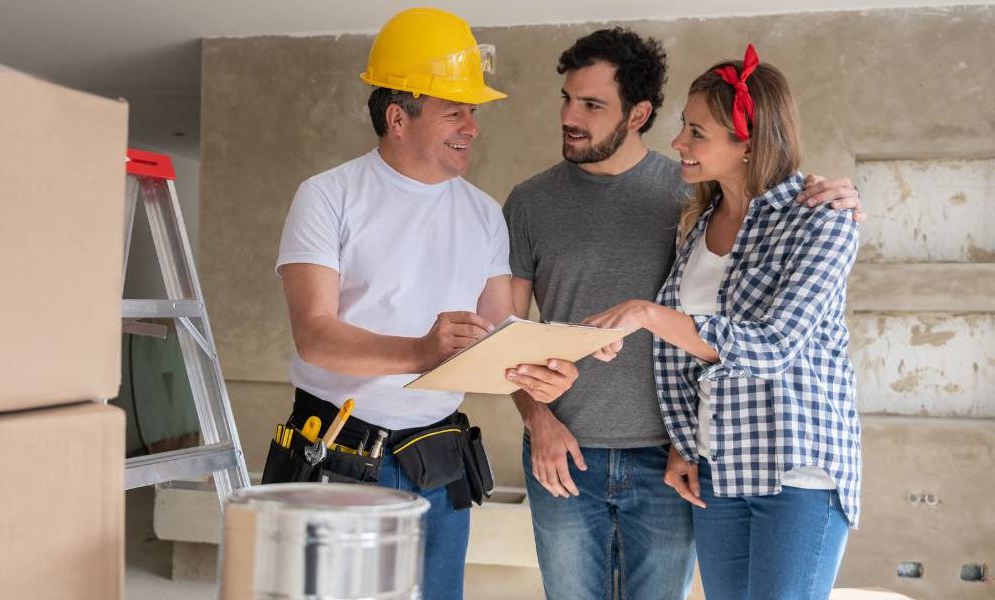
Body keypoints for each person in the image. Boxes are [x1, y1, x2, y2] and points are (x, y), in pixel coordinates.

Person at [503, 29, 862, 599]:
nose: (680, 142)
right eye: (567, 98)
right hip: (710, 468)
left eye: (695, 131)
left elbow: (770, 344)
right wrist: (686, 443)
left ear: (748, 142)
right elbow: (678, 358)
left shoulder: (799, 213)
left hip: (793, 464)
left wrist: (644, 316)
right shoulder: (700, 217)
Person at [274, 8, 578, 600]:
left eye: (475, 111)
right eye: (455, 111)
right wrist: (419, 351)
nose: (472, 126)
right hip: (338, 456)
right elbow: (314, 334)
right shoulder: (328, 196)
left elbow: (497, 333)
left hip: (437, 463)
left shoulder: (483, 213)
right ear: (397, 116)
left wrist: (540, 371)